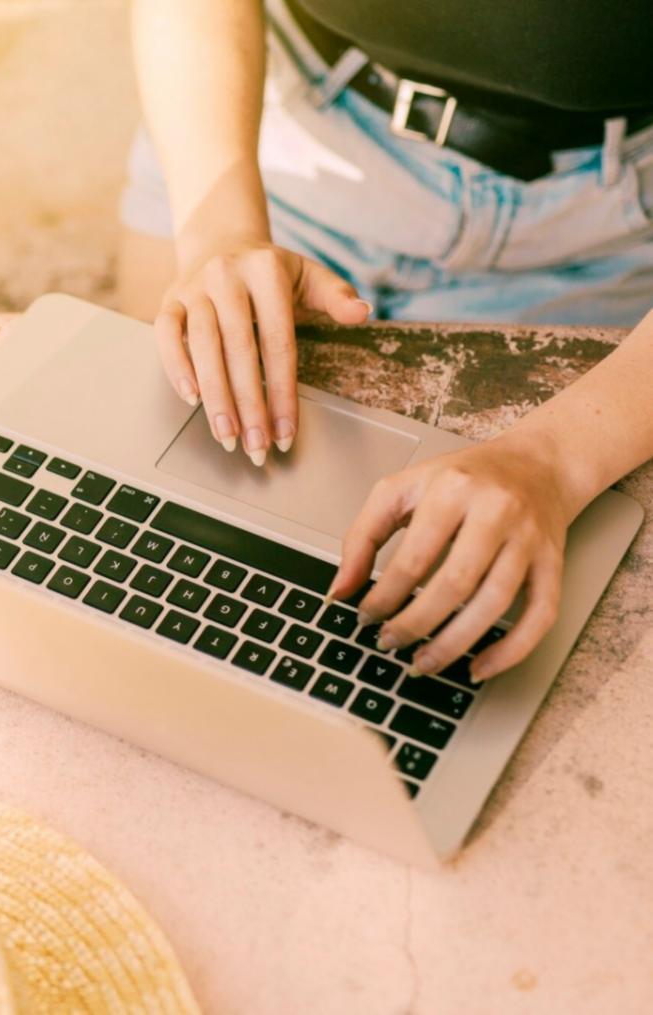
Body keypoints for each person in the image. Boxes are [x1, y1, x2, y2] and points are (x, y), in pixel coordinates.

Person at [116, 0, 653, 681]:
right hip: (266, 135)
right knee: (157, 503)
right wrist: (220, 235)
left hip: (606, 221)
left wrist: (554, 459)